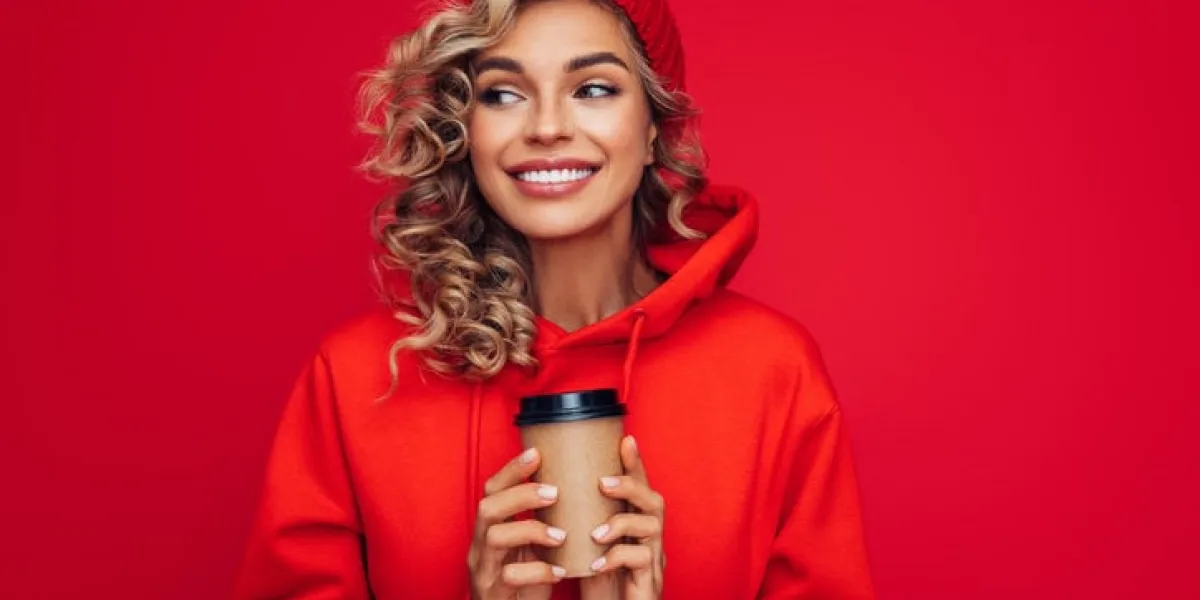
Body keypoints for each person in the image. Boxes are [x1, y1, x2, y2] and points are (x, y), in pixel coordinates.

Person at [233, 0, 876, 598]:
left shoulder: (770, 371)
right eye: (503, 93)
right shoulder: (361, 377)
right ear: (466, 132)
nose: (546, 127)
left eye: (593, 88)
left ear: (654, 126)